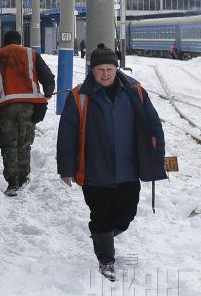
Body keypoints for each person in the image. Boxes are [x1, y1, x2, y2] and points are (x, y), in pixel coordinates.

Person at [57, 44, 167, 282]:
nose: (105, 74)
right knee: (101, 215)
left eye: (109, 69)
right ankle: (106, 259)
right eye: (100, 69)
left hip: (128, 169)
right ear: (92, 70)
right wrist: (66, 168)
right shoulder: (79, 96)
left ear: (116, 69)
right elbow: (67, 134)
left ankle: (101, 236)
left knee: (126, 214)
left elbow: (153, 124)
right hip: (95, 170)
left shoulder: (135, 91)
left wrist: (157, 156)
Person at [0, 30, 55, 196]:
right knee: (24, 141)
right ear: (19, 41)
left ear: (4, 42)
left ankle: (12, 181)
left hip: (6, 106)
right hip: (29, 106)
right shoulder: (31, 54)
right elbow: (48, 77)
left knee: (9, 143)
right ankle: (23, 176)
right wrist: (48, 93)